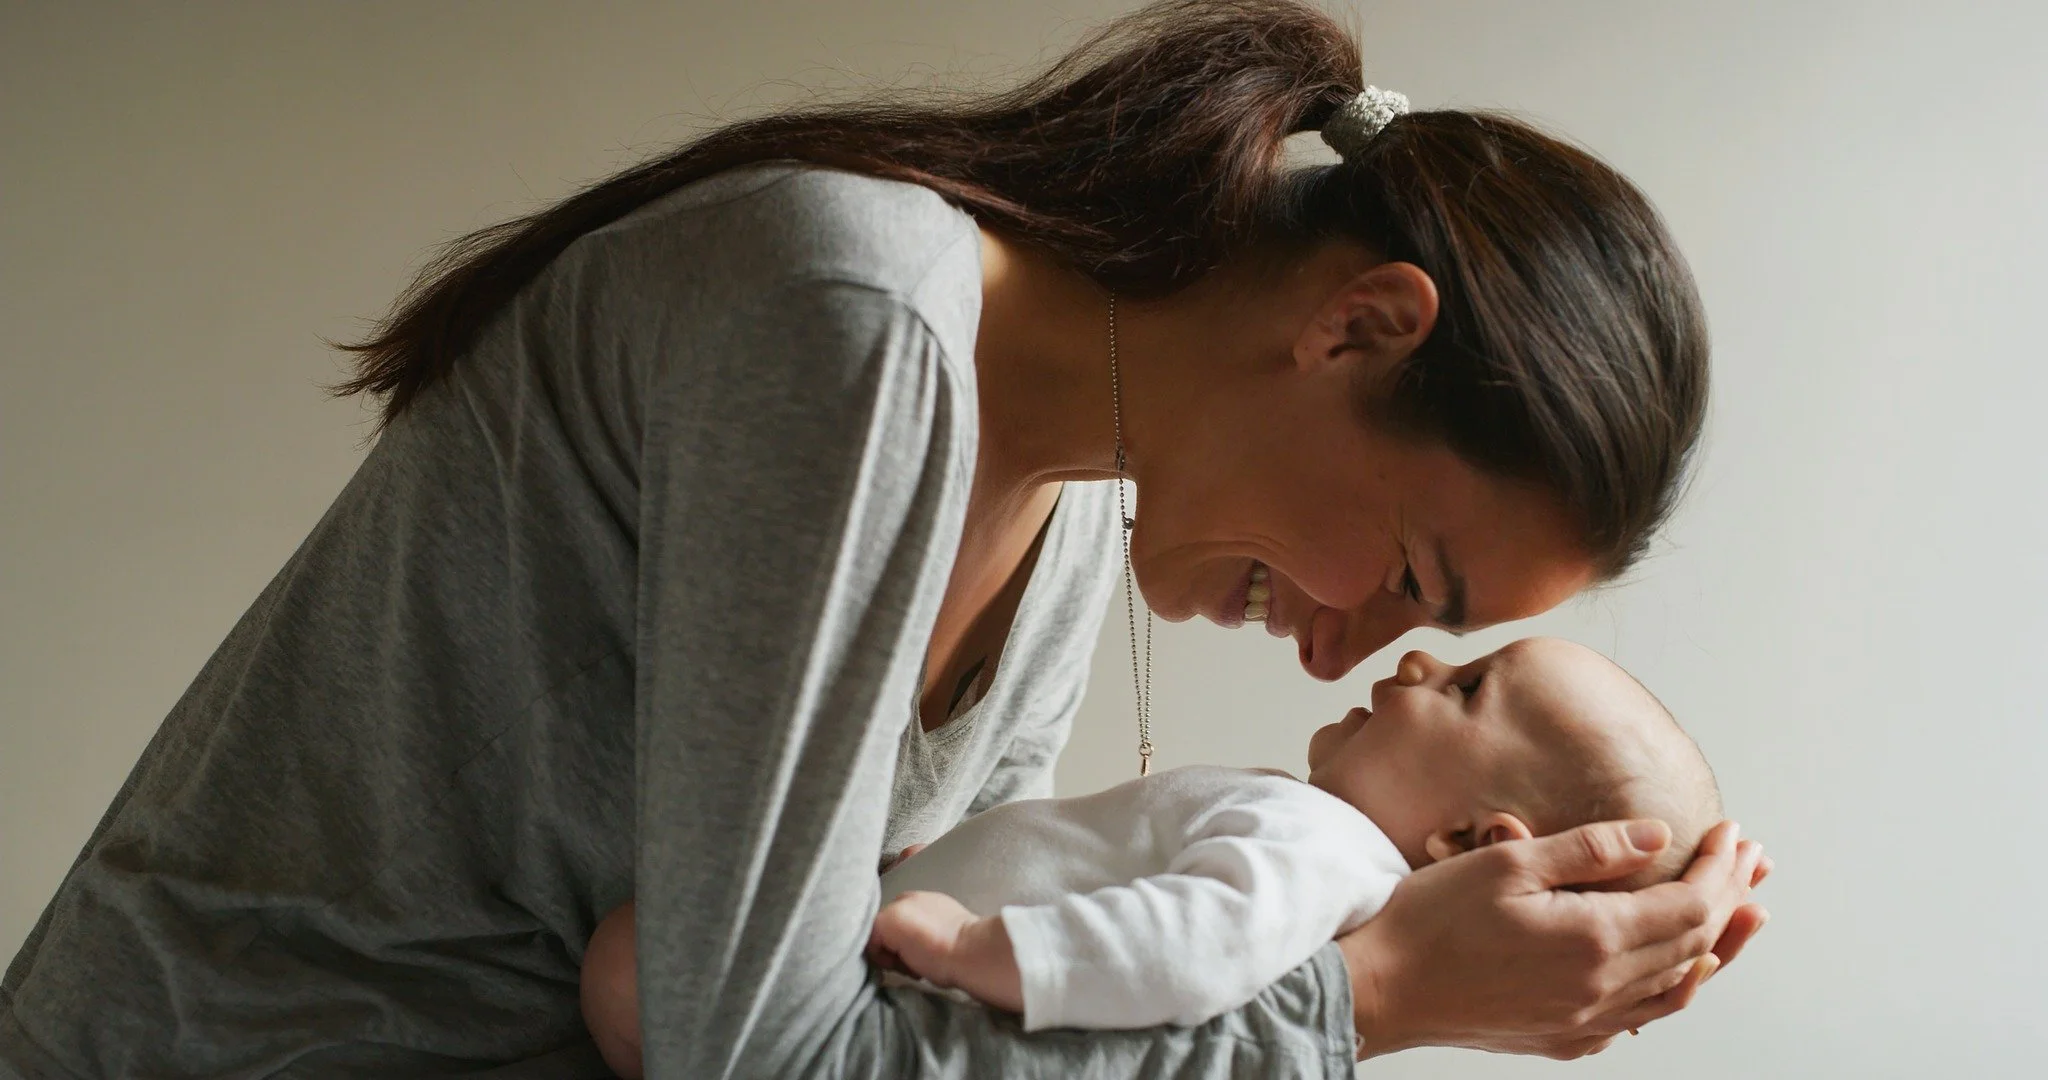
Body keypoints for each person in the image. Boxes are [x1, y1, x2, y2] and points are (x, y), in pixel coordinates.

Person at [0, 1, 1767, 1077]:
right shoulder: (853, 328)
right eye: (1405, 580)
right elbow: (763, 1062)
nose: (1330, 650)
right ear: (1357, 328)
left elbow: (899, 1028)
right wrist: (1358, 1005)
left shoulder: (1076, 527)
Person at [577, 637, 1738, 1077]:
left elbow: (1181, 952)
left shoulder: (1315, 851)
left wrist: (982, 944)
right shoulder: (1308, 839)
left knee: (632, 966)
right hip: (906, 958)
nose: (1419, 658)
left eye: (1469, 687)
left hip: (908, 981)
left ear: (1472, 844)